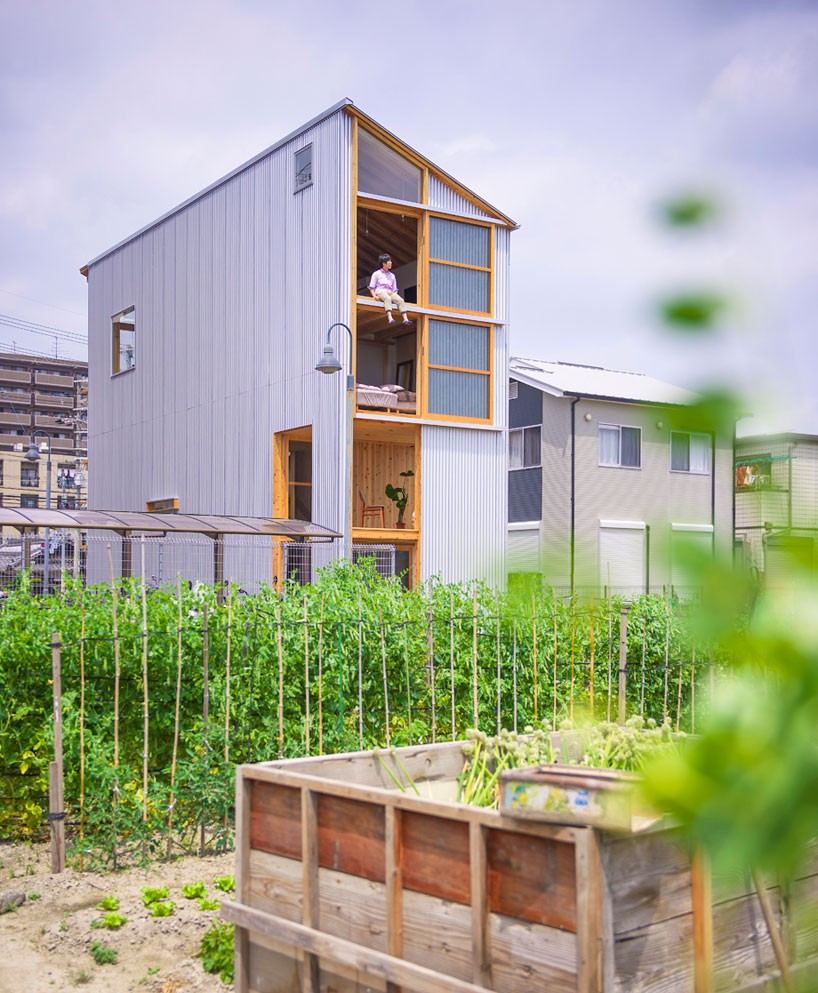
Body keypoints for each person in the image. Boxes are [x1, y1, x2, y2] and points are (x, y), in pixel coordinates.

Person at [369, 254, 412, 326]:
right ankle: (390, 317)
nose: (391, 263)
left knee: (400, 300)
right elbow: (371, 287)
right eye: (389, 261)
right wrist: (374, 296)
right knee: (387, 298)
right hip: (380, 291)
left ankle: (405, 319)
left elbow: (394, 289)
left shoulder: (392, 275)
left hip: (390, 291)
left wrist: (394, 298)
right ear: (384, 263)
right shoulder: (376, 274)